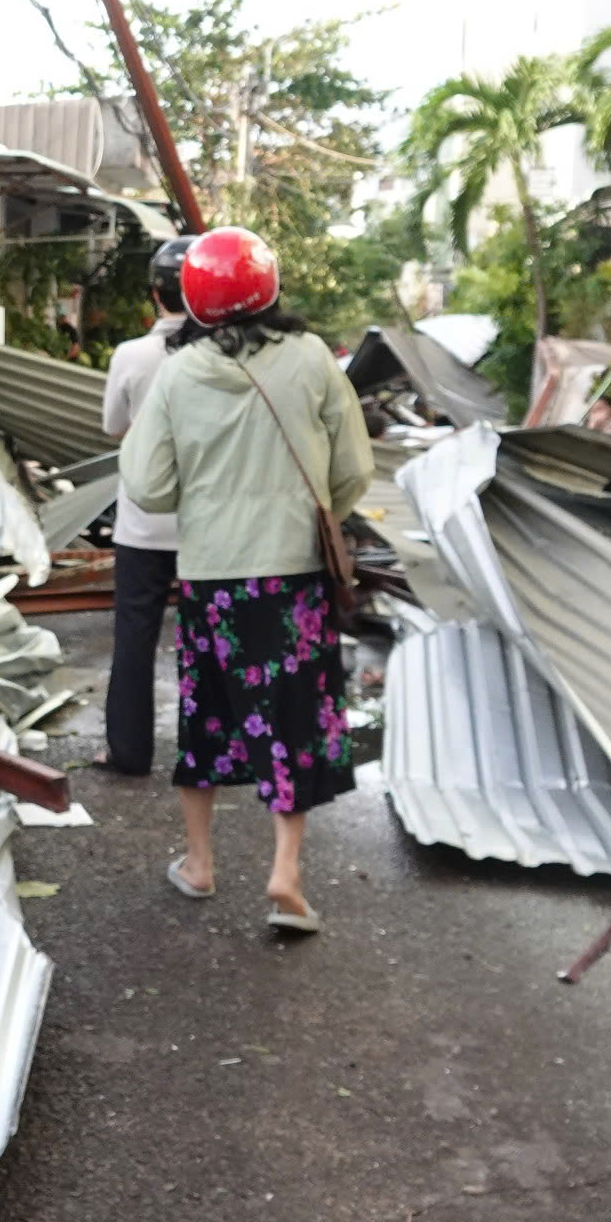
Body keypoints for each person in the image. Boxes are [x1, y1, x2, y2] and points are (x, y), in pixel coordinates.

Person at [118, 226, 373, 935]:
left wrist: (207, 504)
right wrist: (309, 512)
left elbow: (145, 485)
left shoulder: (178, 372)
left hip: (213, 579)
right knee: (293, 714)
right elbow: (353, 468)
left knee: (208, 716)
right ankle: (285, 872)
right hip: (295, 576)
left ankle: (199, 866)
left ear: (193, 298)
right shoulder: (314, 358)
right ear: (270, 285)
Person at [93, 234, 192, 775]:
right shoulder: (223, 358)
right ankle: (214, 750)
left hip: (143, 524)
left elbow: (113, 427)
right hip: (208, 525)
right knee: (206, 640)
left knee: (134, 639)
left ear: (156, 294)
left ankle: (128, 752)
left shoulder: (132, 355)